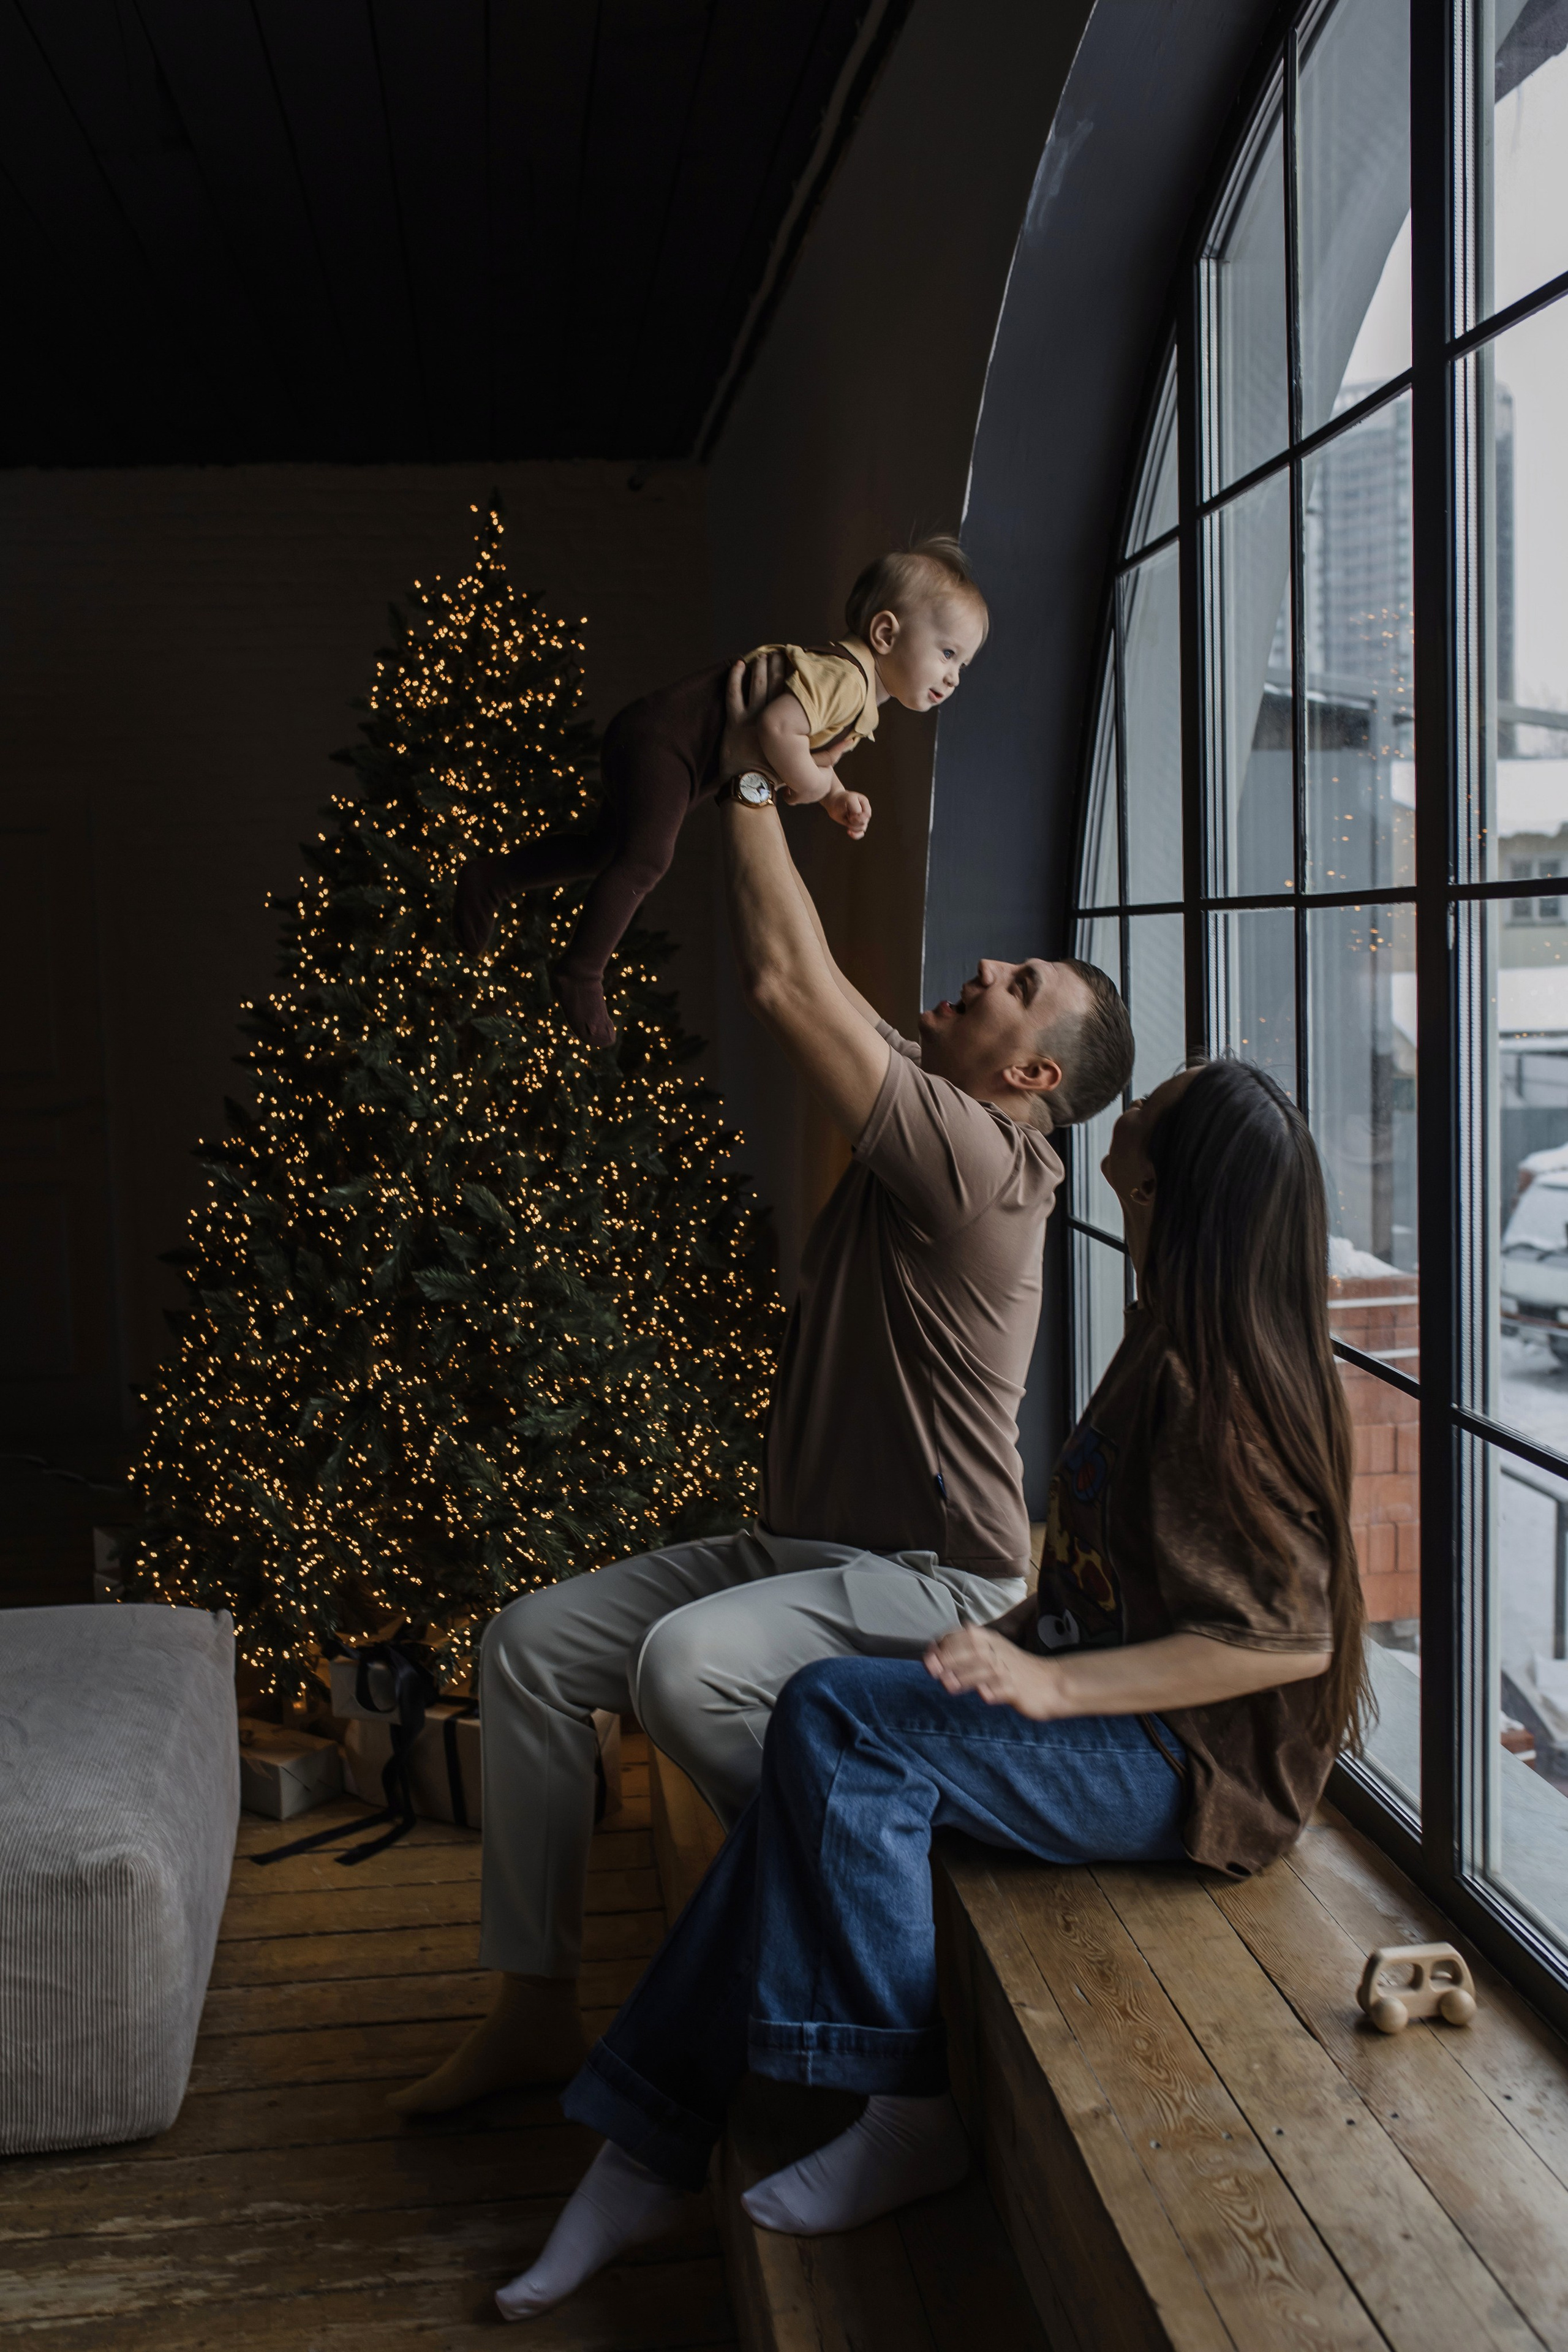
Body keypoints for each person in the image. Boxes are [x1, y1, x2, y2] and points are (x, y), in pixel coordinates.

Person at [491, 1057, 1371, 2321]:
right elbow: (1103, 1572)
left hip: (1186, 1767)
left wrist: (1050, 1691)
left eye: (1162, 1101)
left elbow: (1286, 1643)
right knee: (829, 1726)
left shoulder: (1213, 1386)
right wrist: (1020, 1634)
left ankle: (893, 2107)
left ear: (1172, 1181)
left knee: (833, 1721)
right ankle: (641, 2151)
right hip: (1110, 1705)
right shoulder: (1159, 1328)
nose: (1138, 1102)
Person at [389, 661, 1134, 2120]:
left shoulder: (988, 1165)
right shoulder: (933, 1109)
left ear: (1032, 1072)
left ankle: (848, 1880)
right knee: (533, 1647)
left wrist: (742, 771)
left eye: (1015, 986)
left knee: (680, 1672)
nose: (983, 969)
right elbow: (816, 982)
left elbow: (789, 981)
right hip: (805, 1550)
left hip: (935, 1583)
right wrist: (760, 773)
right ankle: (535, 2009)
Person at [454, 535, 989, 1046]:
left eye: (963, 664)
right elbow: (779, 730)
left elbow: (801, 744)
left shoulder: (855, 690)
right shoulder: (846, 681)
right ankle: (581, 971)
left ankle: (493, 878)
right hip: (666, 745)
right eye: (947, 653)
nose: (955, 676)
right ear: (886, 635)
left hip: (663, 744)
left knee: (603, 849)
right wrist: (808, 786)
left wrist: (833, 795)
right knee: (645, 861)